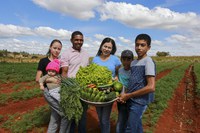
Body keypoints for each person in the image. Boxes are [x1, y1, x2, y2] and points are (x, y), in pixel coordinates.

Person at [118, 34, 156, 133]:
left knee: (130, 129)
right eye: (137, 45)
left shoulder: (148, 62)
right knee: (137, 127)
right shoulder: (134, 63)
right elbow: (132, 81)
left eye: (142, 45)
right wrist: (124, 94)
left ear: (148, 47)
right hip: (131, 99)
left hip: (140, 102)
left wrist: (129, 95)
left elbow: (151, 87)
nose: (139, 48)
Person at [35, 39, 71, 133]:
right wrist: (50, 79)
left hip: (59, 91)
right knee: (65, 114)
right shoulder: (43, 61)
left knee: (55, 116)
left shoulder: (60, 62)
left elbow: (62, 76)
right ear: (50, 47)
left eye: (59, 49)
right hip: (49, 92)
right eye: (55, 48)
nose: (56, 50)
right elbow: (37, 78)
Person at [60, 31, 90, 133]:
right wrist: (66, 90)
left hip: (84, 89)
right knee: (72, 116)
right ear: (71, 40)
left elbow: (87, 70)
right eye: (76, 39)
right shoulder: (66, 54)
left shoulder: (86, 53)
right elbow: (64, 72)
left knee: (83, 115)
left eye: (81, 40)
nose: (79, 42)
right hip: (72, 90)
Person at [92, 37, 121, 133]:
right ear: (101, 47)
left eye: (109, 47)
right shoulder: (95, 59)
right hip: (97, 91)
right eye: (105, 46)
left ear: (112, 49)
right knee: (100, 116)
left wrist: (117, 77)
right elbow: (91, 73)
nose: (107, 49)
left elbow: (120, 72)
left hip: (109, 91)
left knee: (105, 118)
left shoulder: (115, 59)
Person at [116, 50, 134, 133]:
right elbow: (119, 84)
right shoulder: (120, 70)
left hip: (131, 99)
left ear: (132, 60)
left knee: (130, 120)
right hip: (121, 99)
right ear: (121, 60)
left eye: (128, 59)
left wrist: (126, 95)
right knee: (121, 119)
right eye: (124, 60)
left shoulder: (134, 71)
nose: (126, 62)